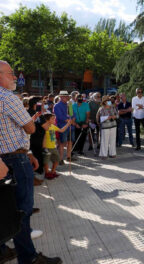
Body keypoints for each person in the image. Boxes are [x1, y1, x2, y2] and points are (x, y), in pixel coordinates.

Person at [0, 60, 62, 264]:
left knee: (7, 208)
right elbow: (30, 128)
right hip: (14, 160)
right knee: (22, 210)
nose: (14, 78)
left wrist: (27, 153)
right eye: (10, 74)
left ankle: (6, 250)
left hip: (10, 158)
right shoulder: (7, 98)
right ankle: (29, 258)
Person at [42, 114, 71, 179]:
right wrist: (44, 147)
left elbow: (61, 130)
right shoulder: (44, 127)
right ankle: (47, 173)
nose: (54, 120)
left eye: (54, 118)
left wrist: (68, 124)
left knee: (57, 159)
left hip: (53, 147)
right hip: (47, 147)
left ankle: (52, 172)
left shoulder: (53, 126)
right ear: (47, 120)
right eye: (52, 118)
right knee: (46, 161)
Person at [54, 90, 77, 164]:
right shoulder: (57, 105)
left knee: (70, 142)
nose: (67, 98)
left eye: (67, 96)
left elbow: (73, 114)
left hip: (71, 126)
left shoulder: (69, 104)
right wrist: (69, 121)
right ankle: (60, 159)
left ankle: (68, 157)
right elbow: (59, 116)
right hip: (62, 127)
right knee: (62, 143)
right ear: (61, 97)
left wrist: (72, 120)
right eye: (65, 96)